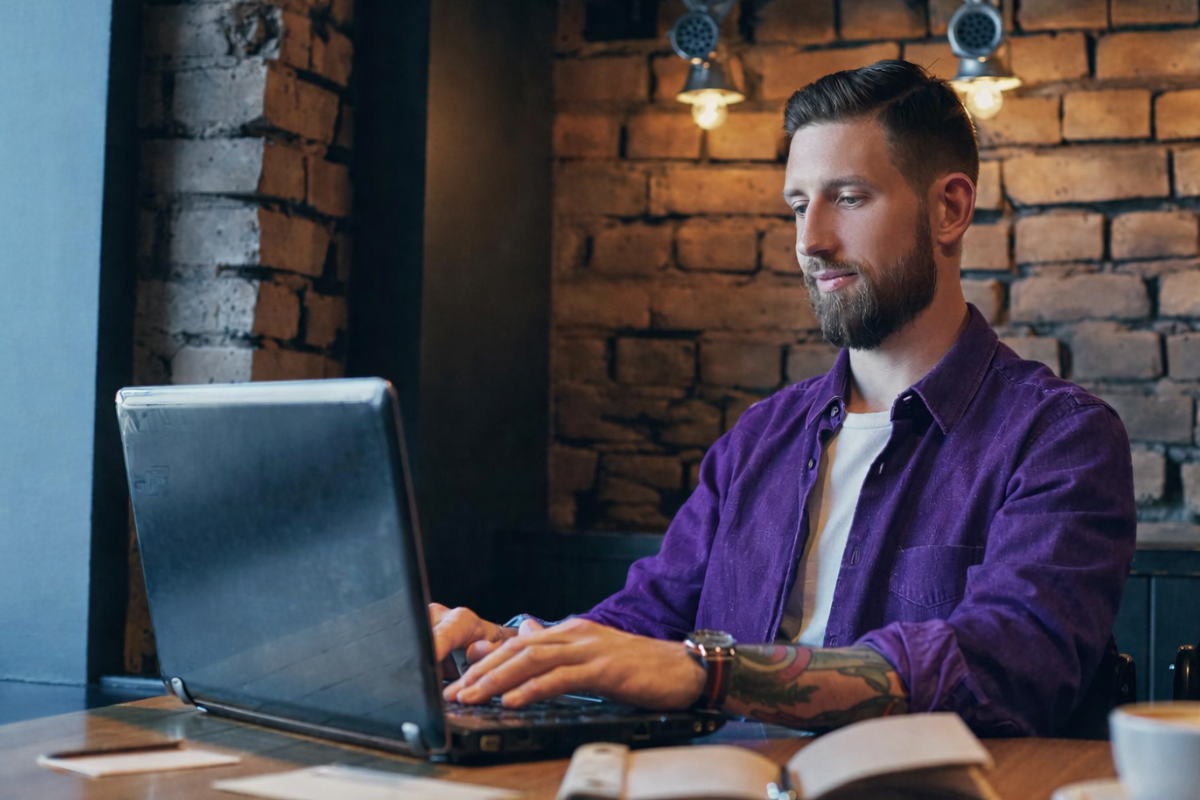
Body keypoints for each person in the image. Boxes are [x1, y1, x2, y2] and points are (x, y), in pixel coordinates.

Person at [430, 60, 1137, 737]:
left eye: (849, 198)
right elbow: (645, 622)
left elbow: (1008, 666)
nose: (811, 240)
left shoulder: (1058, 439)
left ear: (949, 209)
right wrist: (509, 648)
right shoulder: (760, 436)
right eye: (799, 205)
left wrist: (708, 674)